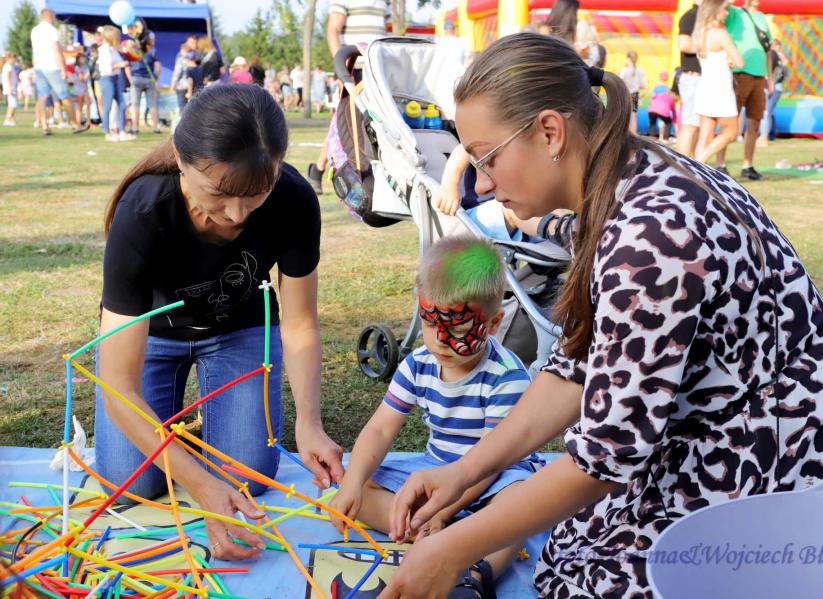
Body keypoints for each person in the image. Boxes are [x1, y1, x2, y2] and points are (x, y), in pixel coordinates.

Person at [367, 33, 823, 598]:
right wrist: (465, 470)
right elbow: (576, 367)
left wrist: (452, 548)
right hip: (756, 432)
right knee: (575, 547)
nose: (481, 183)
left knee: (590, 578)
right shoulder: (627, 179)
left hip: (799, 468)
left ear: (550, 132)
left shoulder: (649, 236)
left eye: (488, 157)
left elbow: (607, 457)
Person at [94, 84, 344, 562]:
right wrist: (200, 484)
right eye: (220, 193)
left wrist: (309, 424)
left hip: (238, 332)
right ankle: (180, 434)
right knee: (129, 484)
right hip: (153, 338)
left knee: (247, 475)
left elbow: (299, 324)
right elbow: (117, 384)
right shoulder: (143, 211)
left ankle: (188, 433)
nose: (236, 214)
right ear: (181, 159)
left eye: (256, 194)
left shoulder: (293, 200)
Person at [329, 236, 543, 596]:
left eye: (458, 330)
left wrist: (441, 511)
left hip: (495, 475)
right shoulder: (418, 364)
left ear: (493, 324)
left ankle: (474, 573)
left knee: (521, 502)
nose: (441, 340)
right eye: (430, 323)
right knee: (358, 486)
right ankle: (445, 532)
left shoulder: (506, 376)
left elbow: (489, 462)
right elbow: (380, 430)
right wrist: (352, 483)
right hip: (436, 469)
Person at [307, 0, 389, 193]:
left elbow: (385, 34)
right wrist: (342, 68)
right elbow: (333, 30)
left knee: (344, 122)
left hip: (376, 70)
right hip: (353, 70)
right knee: (348, 123)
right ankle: (356, 176)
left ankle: (317, 170)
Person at [717, 0, 772, 180]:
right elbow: (720, 5)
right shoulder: (734, 13)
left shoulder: (762, 17)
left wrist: (770, 78)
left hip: (759, 75)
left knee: (755, 122)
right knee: (729, 121)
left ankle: (747, 165)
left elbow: (768, 49)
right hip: (738, 73)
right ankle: (720, 164)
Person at [693, 0, 743, 167]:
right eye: (725, 9)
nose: (727, 13)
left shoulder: (700, 33)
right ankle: (698, 164)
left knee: (704, 137)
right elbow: (739, 61)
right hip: (720, 88)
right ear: (715, 10)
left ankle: (696, 173)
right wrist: (730, 60)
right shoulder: (720, 34)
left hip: (704, 86)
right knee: (731, 132)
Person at [31, 8, 88, 135]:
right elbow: (57, 50)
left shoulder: (35, 30)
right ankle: (75, 124)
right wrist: (63, 69)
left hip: (39, 67)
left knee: (42, 97)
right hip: (53, 66)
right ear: (50, 16)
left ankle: (45, 126)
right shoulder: (52, 30)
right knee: (64, 95)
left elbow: (34, 51)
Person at [675, 0, 702, 157]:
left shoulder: (701, 17)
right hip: (693, 77)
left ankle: (692, 164)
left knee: (697, 126)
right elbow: (684, 44)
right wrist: (710, 47)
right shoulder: (691, 16)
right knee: (690, 125)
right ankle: (680, 164)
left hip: (699, 78)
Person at [98, 26, 133, 142]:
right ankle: (107, 133)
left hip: (116, 78)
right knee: (107, 106)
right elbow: (107, 68)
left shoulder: (113, 49)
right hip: (107, 79)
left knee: (122, 104)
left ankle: (122, 131)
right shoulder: (104, 50)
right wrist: (121, 65)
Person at [128, 32, 161, 135]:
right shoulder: (153, 51)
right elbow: (158, 68)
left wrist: (130, 79)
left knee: (135, 105)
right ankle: (156, 128)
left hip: (136, 78)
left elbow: (128, 66)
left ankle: (135, 128)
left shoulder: (134, 51)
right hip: (149, 79)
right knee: (153, 104)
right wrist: (155, 79)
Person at [760, 37, 789, 143]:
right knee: (770, 111)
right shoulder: (780, 57)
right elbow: (783, 72)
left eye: (774, 45)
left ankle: (767, 134)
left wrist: (770, 81)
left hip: (774, 86)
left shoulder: (774, 55)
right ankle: (771, 134)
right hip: (777, 86)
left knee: (767, 111)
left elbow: (779, 72)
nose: (773, 47)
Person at [618, 50, 646, 135]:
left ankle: (623, 134)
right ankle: (633, 134)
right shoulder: (640, 71)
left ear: (628, 58)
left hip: (625, 94)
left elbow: (619, 82)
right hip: (635, 94)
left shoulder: (624, 70)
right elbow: (643, 85)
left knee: (624, 114)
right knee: (633, 116)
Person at [647, 70, 676, 142]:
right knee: (668, 123)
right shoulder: (668, 89)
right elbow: (671, 100)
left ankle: (652, 140)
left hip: (652, 109)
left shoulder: (655, 87)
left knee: (652, 123)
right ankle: (665, 138)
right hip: (663, 110)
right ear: (667, 78)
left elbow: (652, 96)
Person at [170, 44, 192, 114]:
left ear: (182, 50)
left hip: (181, 86)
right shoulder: (192, 61)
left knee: (182, 107)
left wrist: (173, 84)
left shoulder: (180, 60)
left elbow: (177, 73)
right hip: (191, 86)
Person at [72, 53, 91, 128]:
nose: (83, 60)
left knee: (88, 104)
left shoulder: (85, 67)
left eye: (83, 58)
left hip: (85, 88)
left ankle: (88, 122)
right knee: (80, 106)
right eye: (81, 58)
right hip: (79, 89)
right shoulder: (77, 68)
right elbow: (82, 79)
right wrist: (89, 73)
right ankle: (78, 122)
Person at [2, 52, 18, 126]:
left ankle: (11, 119)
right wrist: (10, 88)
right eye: (14, 58)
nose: (15, 60)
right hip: (10, 88)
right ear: (10, 58)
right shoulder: (8, 66)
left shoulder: (10, 66)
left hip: (11, 87)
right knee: (12, 104)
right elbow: (8, 78)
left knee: (12, 104)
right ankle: (7, 120)